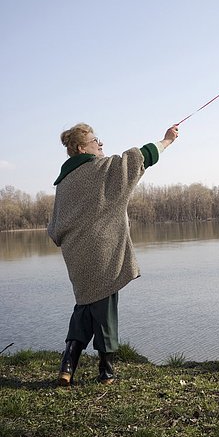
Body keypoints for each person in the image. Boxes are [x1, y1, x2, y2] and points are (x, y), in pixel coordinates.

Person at [48, 122, 179, 386]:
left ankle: (67, 366)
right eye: (97, 141)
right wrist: (166, 141)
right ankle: (106, 371)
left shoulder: (63, 182)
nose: (101, 145)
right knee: (106, 307)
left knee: (85, 307)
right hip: (102, 251)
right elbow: (137, 159)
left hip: (76, 255)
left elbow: (54, 227)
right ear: (81, 147)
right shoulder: (101, 170)